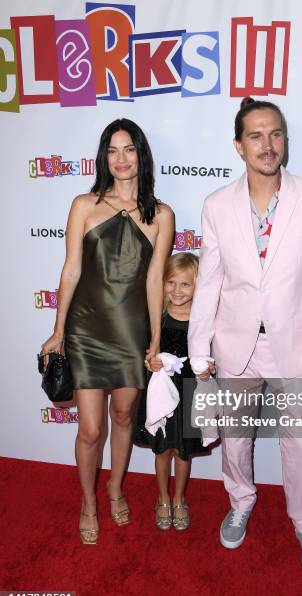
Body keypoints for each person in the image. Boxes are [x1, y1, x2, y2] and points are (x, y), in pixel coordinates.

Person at [188, 97, 302, 576]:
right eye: (255, 135)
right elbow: (209, 280)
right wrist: (199, 348)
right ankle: (240, 501)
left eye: (275, 134)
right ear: (239, 146)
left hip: (294, 350)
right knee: (236, 438)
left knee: (300, 443)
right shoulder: (216, 206)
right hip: (234, 347)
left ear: (285, 141)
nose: (267, 144)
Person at [40, 118, 174, 544]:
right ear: (104, 157)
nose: (121, 159)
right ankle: (87, 501)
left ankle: (115, 488)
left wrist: (155, 338)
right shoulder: (84, 204)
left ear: (142, 155)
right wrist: (58, 330)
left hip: (131, 333)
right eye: (113, 150)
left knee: (122, 417)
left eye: (129, 149)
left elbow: (155, 282)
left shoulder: (162, 215)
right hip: (85, 330)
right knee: (91, 430)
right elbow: (72, 270)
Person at [134, 253, 207, 530]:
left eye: (185, 284)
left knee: (183, 450)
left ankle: (179, 499)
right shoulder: (158, 316)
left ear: (198, 286)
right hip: (159, 394)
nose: (177, 290)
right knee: (162, 450)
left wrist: (207, 369)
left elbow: (213, 355)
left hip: (190, 393)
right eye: (171, 282)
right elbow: (145, 351)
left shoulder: (203, 320)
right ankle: (162, 498)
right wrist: (149, 361)